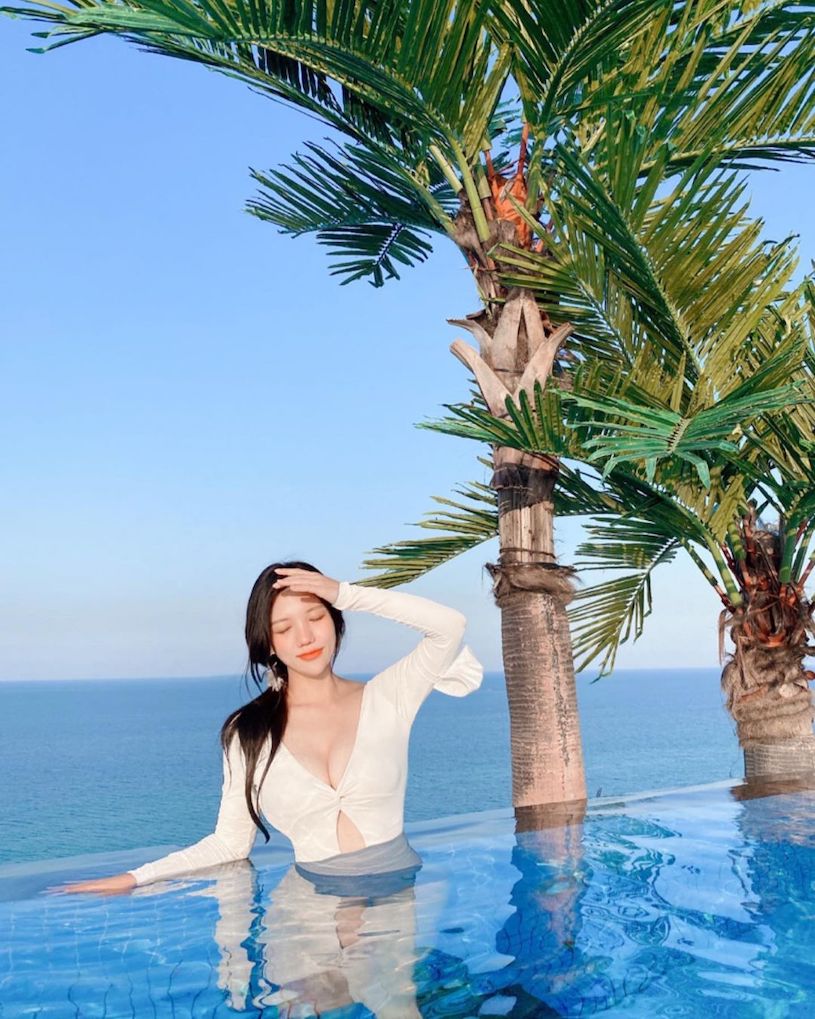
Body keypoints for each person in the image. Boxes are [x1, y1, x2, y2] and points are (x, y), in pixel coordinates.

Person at [50, 562, 483, 895]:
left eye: (316, 617)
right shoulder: (250, 731)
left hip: (393, 896)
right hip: (307, 909)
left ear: (336, 621)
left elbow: (449, 627)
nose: (305, 637)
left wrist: (345, 592)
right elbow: (229, 844)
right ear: (269, 644)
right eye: (284, 628)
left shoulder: (389, 696)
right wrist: (135, 878)